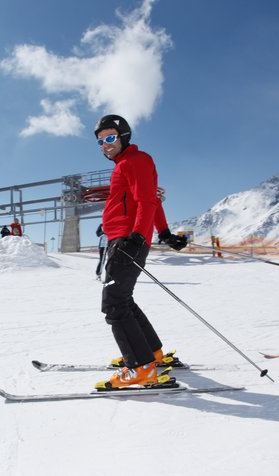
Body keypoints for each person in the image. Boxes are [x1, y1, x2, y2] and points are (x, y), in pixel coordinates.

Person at [93, 114, 188, 390]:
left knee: (114, 304)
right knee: (124, 300)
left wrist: (134, 238)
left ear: (124, 136)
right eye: (100, 141)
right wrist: (164, 232)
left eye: (110, 138)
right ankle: (152, 355)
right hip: (122, 237)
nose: (105, 144)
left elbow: (146, 201)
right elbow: (152, 200)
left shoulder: (136, 161)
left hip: (126, 240)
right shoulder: (127, 164)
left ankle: (141, 368)